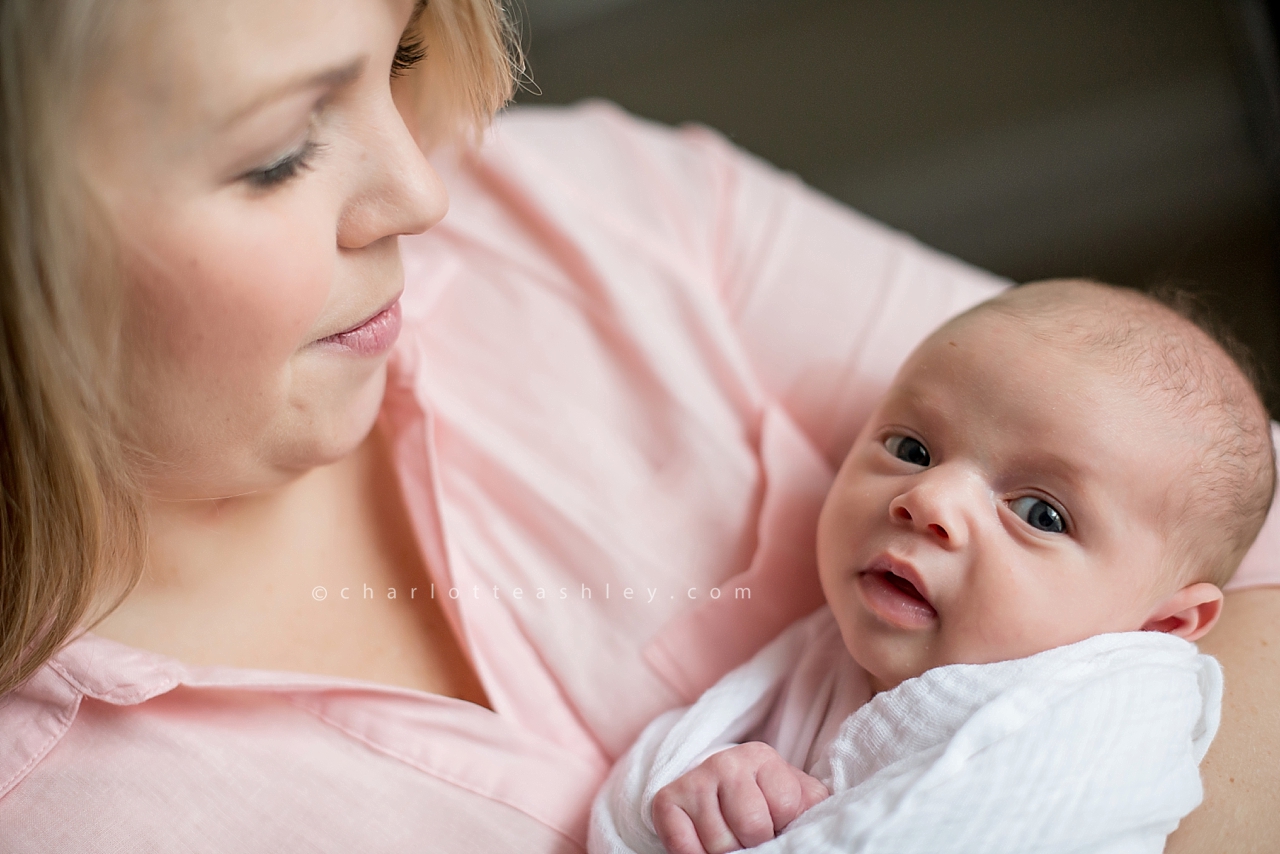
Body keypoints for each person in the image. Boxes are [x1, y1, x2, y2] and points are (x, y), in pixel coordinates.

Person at [0, 1, 1277, 851]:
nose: (428, 188)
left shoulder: (597, 212)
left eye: (396, 61)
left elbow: (1241, 512)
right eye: (280, 151)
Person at [592, 280, 1272, 854]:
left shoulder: (1123, 702)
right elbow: (626, 817)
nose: (927, 499)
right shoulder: (819, 652)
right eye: (912, 447)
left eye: (1039, 513)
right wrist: (697, 794)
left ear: (1162, 623)